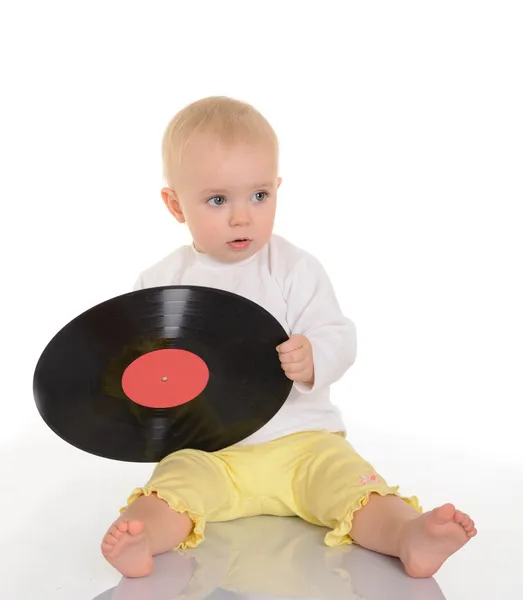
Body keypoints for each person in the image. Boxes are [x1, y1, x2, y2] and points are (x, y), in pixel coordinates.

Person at [101, 96, 476, 579]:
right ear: (175, 204)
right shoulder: (161, 284)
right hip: (211, 451)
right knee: (174, 485)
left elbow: (338, 333)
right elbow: (137, 366)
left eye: (259, 196)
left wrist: (315, 354)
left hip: (303, 443)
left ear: (278, 189)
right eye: (218, 200)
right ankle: (142, 536)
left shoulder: (294, 269)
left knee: (352, 485)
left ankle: (408, 536)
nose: (242, 216)